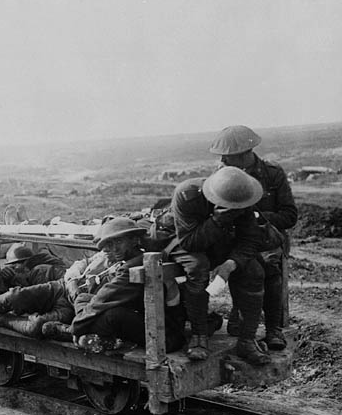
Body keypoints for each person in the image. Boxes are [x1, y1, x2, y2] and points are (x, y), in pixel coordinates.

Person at [169, 165, 270, 365]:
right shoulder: (187, 195)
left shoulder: (242, 197)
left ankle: (247, 341)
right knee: (198, 267)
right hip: (183, 240)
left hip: (219, 242)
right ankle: (199, 336)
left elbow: (249, 239)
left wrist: (231, 264)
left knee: (254, 271)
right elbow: (189, 242)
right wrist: (217, 221)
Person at [209, 125, 298, 350]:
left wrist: (257, 217)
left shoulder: (272, 174)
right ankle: (241, 312)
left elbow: (289, 216)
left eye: (227, 156)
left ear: (244, 154)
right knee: (237, 263)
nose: (222, 161)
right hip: (238, 240)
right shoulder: (222, 176)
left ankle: (273, 328)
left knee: (269, 265)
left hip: (267, 239)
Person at [70, 217, 186, 353]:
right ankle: (87, 334)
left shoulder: (132, 267)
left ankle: (71, 333)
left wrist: (76, 327)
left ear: (135, 240)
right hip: (154, 324)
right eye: (110, 243)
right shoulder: (137, 259)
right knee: (83, 298)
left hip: (165, 337)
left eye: (119, 241)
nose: (114, 248)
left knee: (111, 315)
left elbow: (104, 298)